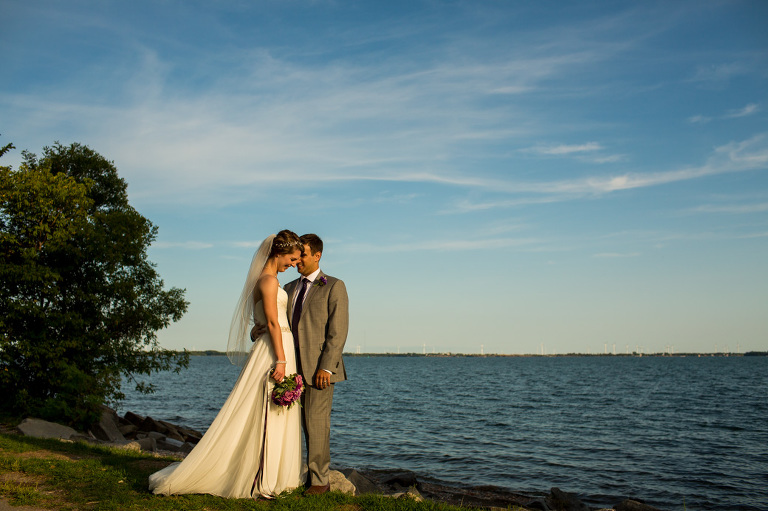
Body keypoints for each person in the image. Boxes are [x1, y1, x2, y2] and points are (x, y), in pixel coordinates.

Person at [148, 230, 305, 499]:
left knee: (274, 408)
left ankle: (277, 475)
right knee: (266, 408)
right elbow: (271, 323)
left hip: (277, 345)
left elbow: (263, 323)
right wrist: (280, 359)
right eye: (291, 259)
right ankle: (260, 478)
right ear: (279, 253)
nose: (293, 264)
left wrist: (259, 333)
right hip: (276, 351)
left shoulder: (268, 280)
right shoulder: (267, 281)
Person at [254, 233, 349, 495]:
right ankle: (287, 474)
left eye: (303, 255)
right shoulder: (288, 288)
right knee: (287, 424)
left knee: (317, 424)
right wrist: (258, 329)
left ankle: (320, 481)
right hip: (289, 366)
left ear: (317, 255)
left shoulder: (334, 286)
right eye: (295, 256)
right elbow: (277, 323)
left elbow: (337, 332)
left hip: (319, 369)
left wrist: (326, 367)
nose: (297, 261)